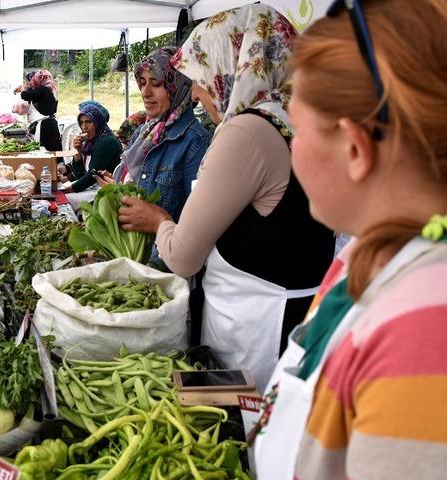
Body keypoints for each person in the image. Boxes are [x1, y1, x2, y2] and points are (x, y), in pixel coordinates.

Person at [254, 1, 447, 478]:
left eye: (297, 130)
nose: (292, 149)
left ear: (354, 148)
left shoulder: (430, 331)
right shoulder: (372, 254)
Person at [118, 6, 335, 392]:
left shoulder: (247, 132)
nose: (196, 93)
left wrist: (160, 221)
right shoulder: (296, 118)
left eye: (201, 77)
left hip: (253, 332)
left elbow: (183, 257)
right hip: (294, 315)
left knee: (241, 424)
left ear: (232, 65)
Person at [98, 47, 211, 225]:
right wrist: (116, 188)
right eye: (142, 83)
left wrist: (158, 221)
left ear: (177, 87)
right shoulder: (142, 134)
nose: (145, 92)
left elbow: (199, 224)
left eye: (156, 83)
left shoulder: (196, 143)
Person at [60, 103, 122, 209]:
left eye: (88, 122)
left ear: (97, 122)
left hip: (104, 191)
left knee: (63, 200)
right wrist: (77, 151)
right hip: (91, 187)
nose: (84, 127)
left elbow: (91, 176)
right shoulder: (89, 142)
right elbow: (79, 173)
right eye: (81, 123)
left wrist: (65, 191)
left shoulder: (106, 142)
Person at [14, 70, 62, 152]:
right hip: (51, 124)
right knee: (53, 151)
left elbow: (26, 96)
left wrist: (22, 89)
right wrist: (24, 88)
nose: (31, 83)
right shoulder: (49, 89)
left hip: (45, 126)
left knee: (45, 151)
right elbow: (32, 92)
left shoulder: (43, 90)